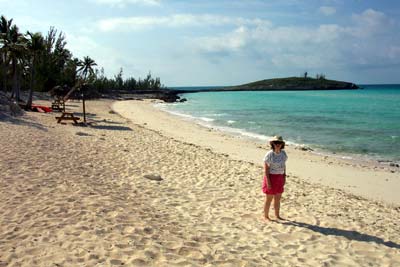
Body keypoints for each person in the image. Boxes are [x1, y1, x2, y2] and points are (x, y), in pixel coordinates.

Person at [262, 135, 288, 221]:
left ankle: (277, 215)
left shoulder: (283, 153)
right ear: (273, 144)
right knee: (269, 198)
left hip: (279, 177)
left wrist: (284, 177)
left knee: (278, 198)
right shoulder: (269, 154)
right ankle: (266, 216)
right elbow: (266, 169)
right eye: (276, 143)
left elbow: (284, 166)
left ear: (282, 144)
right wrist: (268, 182)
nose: (278, 144)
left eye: (279, 143)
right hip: (271, 177)